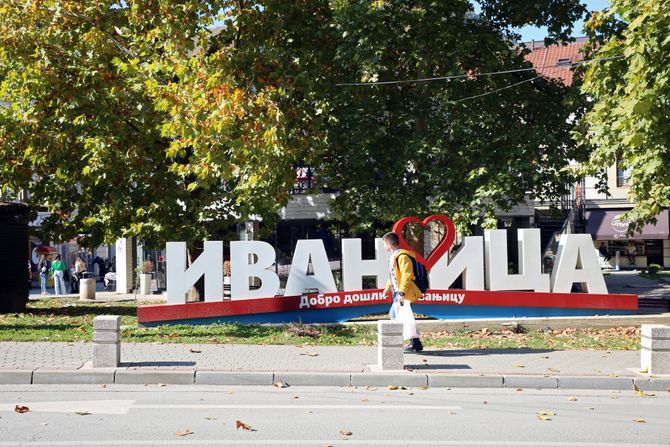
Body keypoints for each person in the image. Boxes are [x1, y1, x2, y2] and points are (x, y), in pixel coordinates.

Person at [381, 231, 424, 353]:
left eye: (385, 244)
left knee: (394, 315)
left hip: (403, 292)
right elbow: (394, 276)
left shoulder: (402, 256)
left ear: (389, 244)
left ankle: (397, 344)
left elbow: (407, 275)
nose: (384, 246)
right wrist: (387, 288)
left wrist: (402, 293)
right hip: (398, 292)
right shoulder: (393, 256)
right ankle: (415, 343)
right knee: (404, 317)